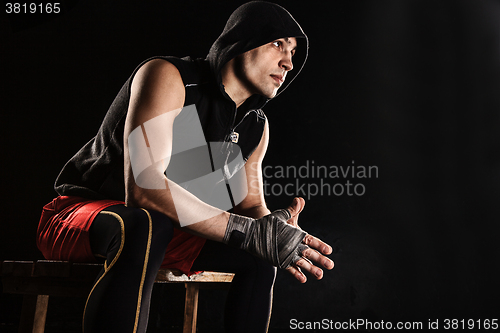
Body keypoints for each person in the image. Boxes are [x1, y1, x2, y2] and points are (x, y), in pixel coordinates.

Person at [36, 2, 334, 332]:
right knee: (146, 223)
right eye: (279, 44)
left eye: (293, 52)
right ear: (242, 41)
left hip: (162, 235)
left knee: (260, 256)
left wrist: (277, 231)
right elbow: (144, 189)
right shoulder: (170, 77)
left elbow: (250, 206)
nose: (288, 62)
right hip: (79, 217)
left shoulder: (255, 126)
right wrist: (247, 231)